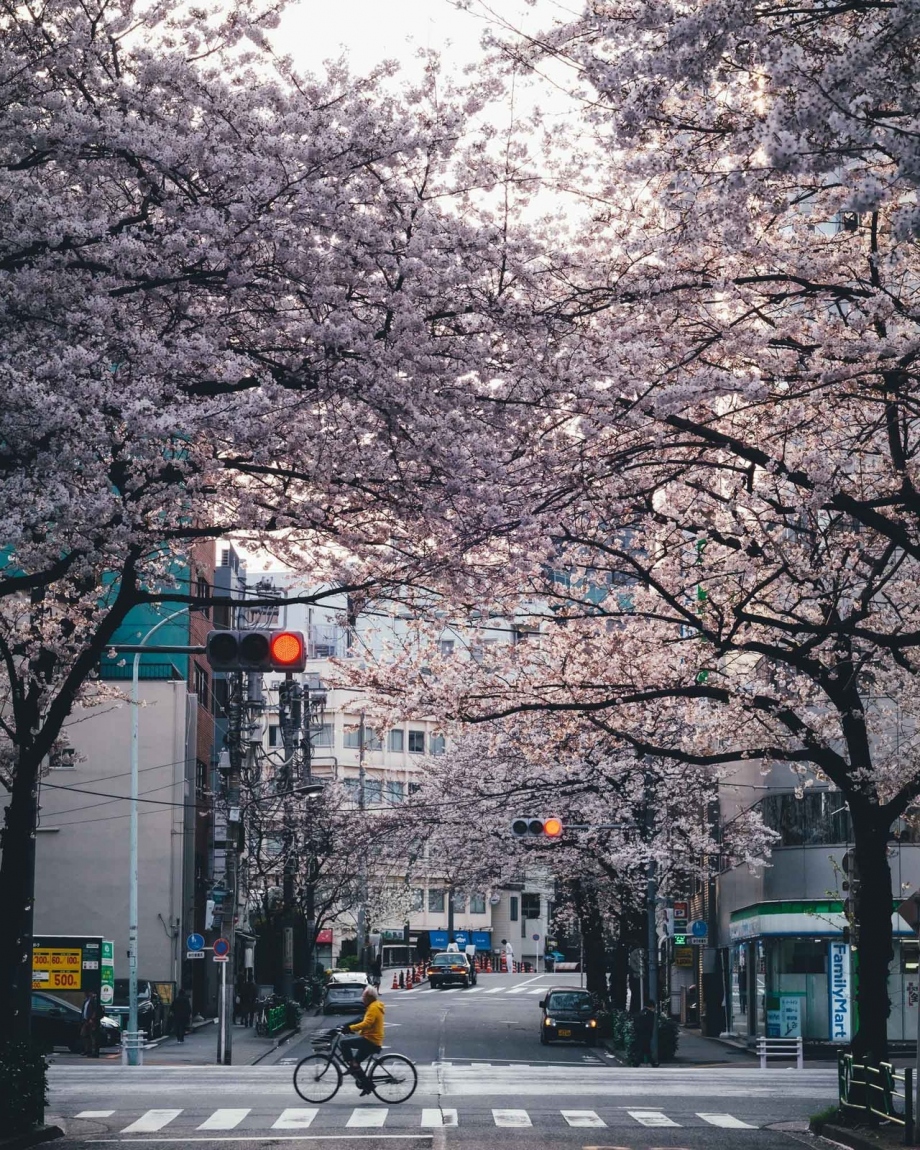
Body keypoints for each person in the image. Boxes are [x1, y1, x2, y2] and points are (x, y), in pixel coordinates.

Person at [340, 985, 384, 1096]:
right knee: (356, 1064)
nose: (362, 999)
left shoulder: (373, 1008)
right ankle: (367, 1086)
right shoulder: (373, 1006)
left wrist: (350, 1028)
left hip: (370, 1040)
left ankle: (351, 1065)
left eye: (364, 997)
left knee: (344, 1043)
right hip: (371, 1038)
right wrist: (349, 1027)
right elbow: (363, 1021)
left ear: (369, 997)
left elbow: (366, 1023)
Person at [632, 1000, 658, 1067]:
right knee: (643, 1050)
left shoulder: (641, 1012)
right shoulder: (650, 1014)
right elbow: (650, 1026)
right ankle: (636, 1063)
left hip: (640, 1034)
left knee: (646, 1050)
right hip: (646, 1034)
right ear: (651, 1006)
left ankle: (652, 1063)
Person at [81, 989, 101, 1058]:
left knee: (93, 1037)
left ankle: (94, 1052)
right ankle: (87, 1050)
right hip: (86, 1020)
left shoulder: (94, 1000)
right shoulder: (86, 1000)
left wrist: (92, 1018)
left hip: (92, 1021)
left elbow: (95, 1010)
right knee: (84, 1035)